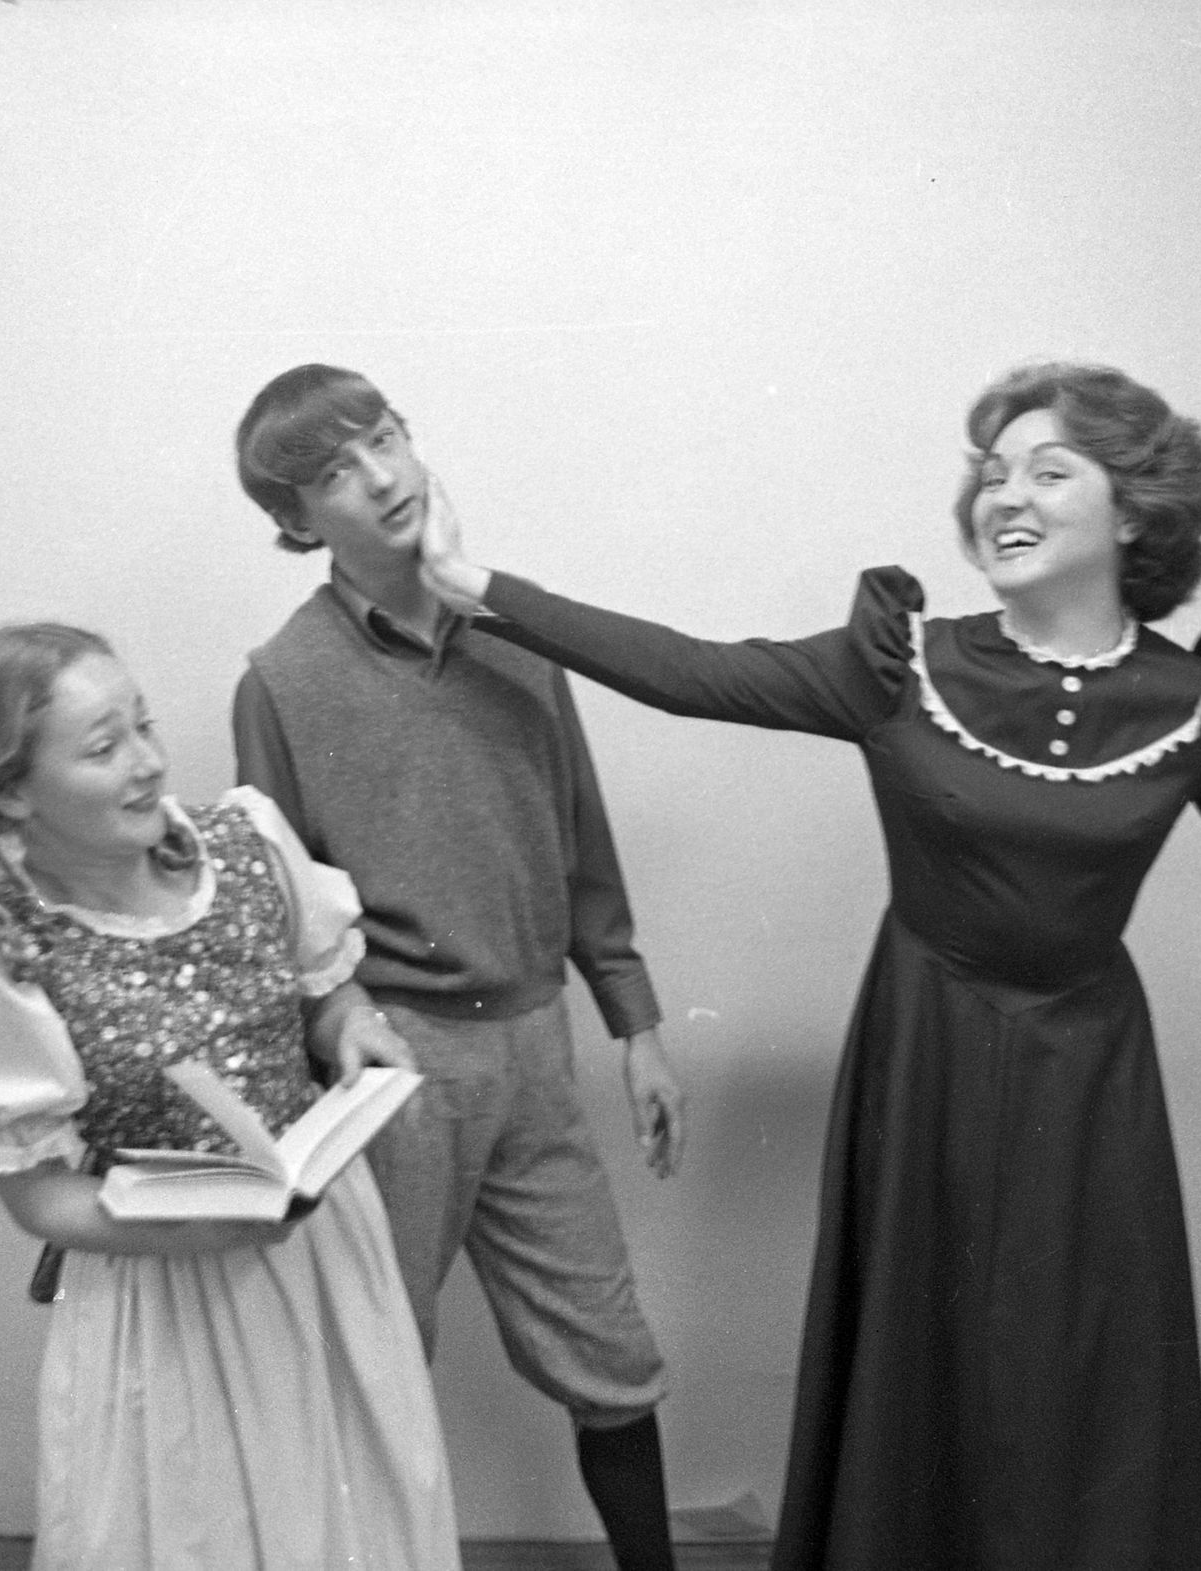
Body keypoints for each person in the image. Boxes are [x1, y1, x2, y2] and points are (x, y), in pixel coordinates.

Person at [419, 361, 1201, 1571]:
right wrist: (477, 587)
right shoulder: (901, 664)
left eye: (1049, 471)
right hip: (926, 1053)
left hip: (1089, 1074)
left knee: (1071, 1354)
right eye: (993, 473)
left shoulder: (1194, 701)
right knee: (926, 1343)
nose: (1005, 495)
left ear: (1134, 513)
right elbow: (692, 670)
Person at [230, 365, 685, 1571]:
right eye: (336, 472)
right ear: (295, 520)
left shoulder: (522, 641)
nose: (382, 477)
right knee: (377, 1362)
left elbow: (582, 845)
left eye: (386, 439)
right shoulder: (280, 681)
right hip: (399, 1067)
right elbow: (282, 911)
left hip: (535, 1044)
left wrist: (635, 1023)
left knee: (612, 1356)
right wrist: (341, 1018)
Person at [0, 622, 461, 1571]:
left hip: (321, 1253)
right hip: (162, 1292)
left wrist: (351, 1023)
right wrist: (187, 1227)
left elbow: (324, 986)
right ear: (12, 791)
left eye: (145, 725)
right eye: (103, 747)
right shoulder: (0, 965)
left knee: (351, 1514)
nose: (148, 762)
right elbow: (37, 1195)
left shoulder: (247, 845)